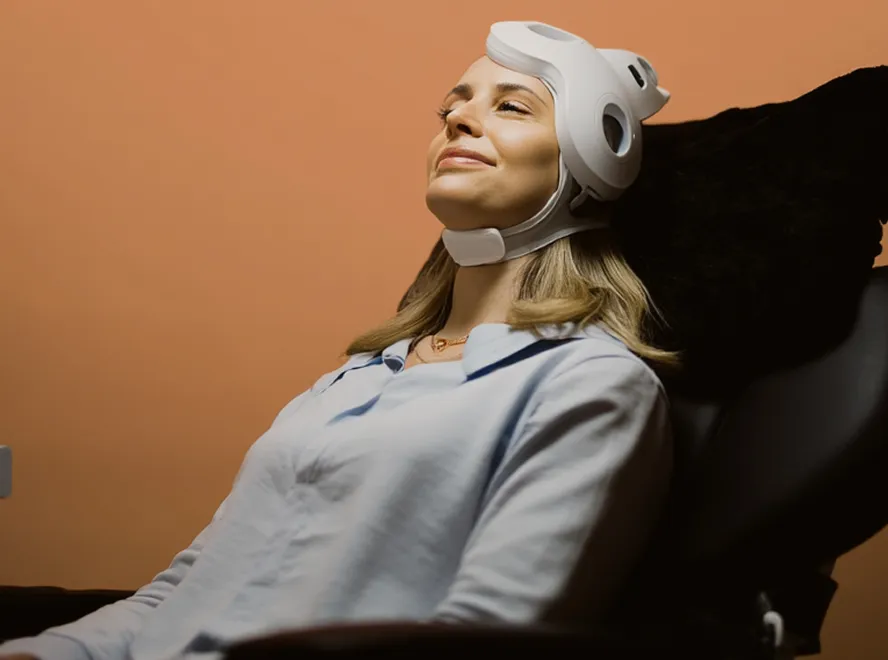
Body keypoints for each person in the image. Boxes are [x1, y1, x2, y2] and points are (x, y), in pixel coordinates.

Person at [0, 22, 676, 660]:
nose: (458, 119)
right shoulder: (354, 379)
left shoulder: (589, 383)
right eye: (455, 103)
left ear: (592, 158)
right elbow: (182, 593)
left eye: (513, 107)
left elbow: (479, 641)